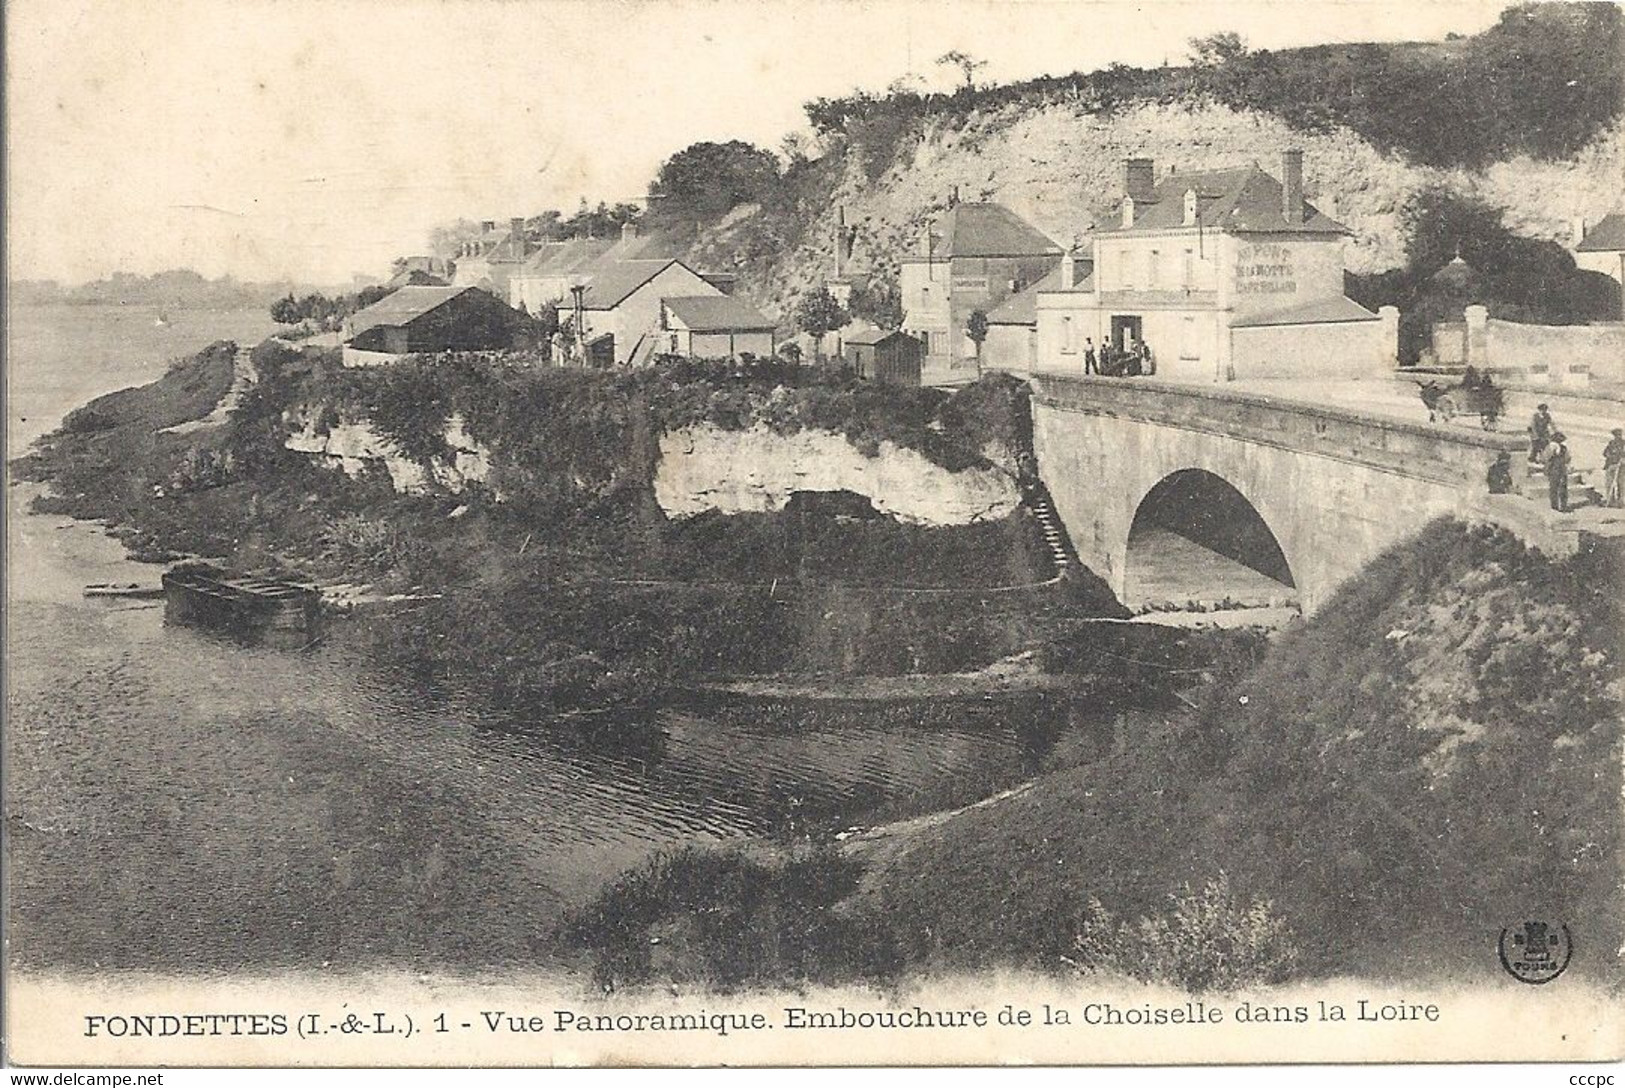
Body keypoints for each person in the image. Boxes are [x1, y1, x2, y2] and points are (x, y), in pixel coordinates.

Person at [1543, 431, 1571, 513]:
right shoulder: (1553, 448)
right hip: (1555, 469)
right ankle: (1557, 506)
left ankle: (1561, 506)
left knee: (1560, 488)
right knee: (1556, 488)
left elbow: (1567, 459)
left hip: (1559, 469)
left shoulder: (1562, 448)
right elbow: (1546, 458)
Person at [1605, 427, 1625, 508]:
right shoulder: (1611, 443)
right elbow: (1605, 453)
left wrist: (1623, 459)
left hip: (1621, 466)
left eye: (1619, 435)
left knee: (1621, 484)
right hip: (1610, 465)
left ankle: (1621, 501)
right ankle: (1610, 500)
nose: (1618, 437)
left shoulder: (1624, 444)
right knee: (1609, 484)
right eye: (1616, 435)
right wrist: (1610, 456)